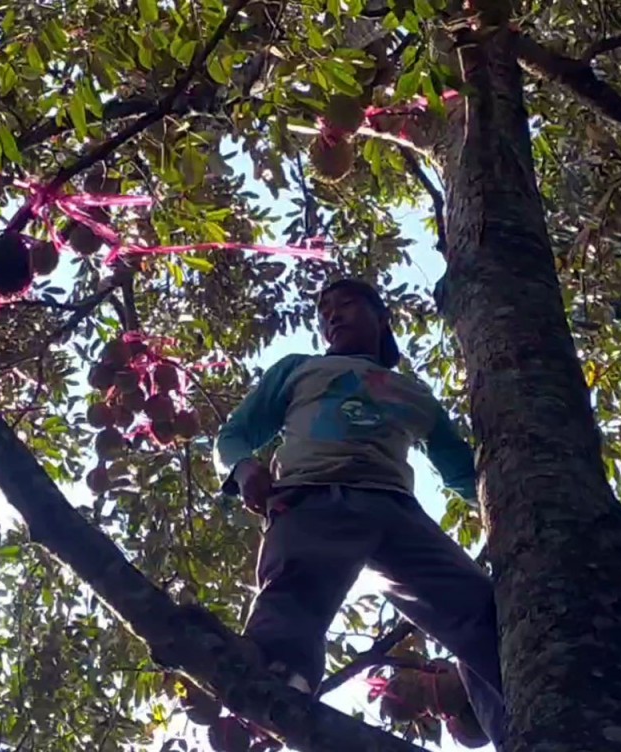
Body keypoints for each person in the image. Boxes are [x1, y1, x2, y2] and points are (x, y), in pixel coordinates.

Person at [213, 278, 506, 747]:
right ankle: (274, 702)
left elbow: (462, 474)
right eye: (325, 311)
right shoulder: (298, 371)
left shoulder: (413, 394)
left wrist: (517, 506)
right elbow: (233, 437)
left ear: (380, 316)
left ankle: (525, 720)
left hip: (397, 511)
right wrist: (246, 469)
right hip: (313, 496)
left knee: (485, 616)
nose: (332, 316)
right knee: (289, 613)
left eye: (345, 304)